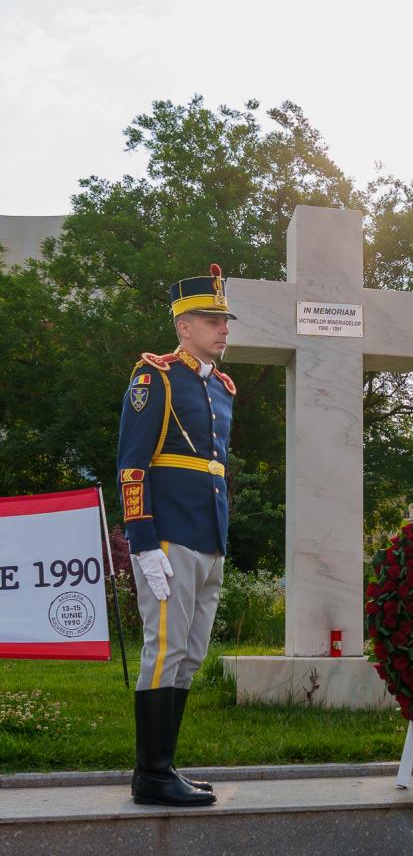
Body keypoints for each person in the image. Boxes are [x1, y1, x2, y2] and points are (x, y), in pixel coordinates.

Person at [117, 263, 238, 807]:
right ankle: (151, 773)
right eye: (211, 318)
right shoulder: (156, 379)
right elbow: (133, 467)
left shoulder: (222, 390)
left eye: (224, 318)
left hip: (208, 539)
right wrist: (142, 543)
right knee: (163, 650)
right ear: (183, 325)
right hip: (167, 539)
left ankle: (166, 767)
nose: (223, 327)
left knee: (190, 654)